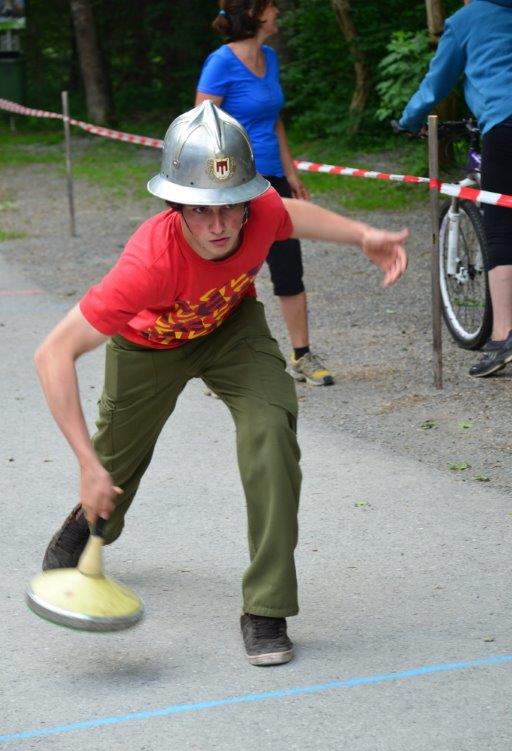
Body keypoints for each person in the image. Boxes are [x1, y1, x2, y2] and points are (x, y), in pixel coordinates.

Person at [36, 101, 408, 666]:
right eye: (201, 210)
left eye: (230, 208)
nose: (218, 225)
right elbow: (53, 354)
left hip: (230, 328)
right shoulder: (148, 264)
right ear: (175, 204)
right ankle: (86, 526)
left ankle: (266, 606)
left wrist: (363, 236)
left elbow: (289, 214)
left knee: (271, 431)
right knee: (114, 465)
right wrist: (87, 465)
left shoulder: (260, 210)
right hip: (149, 345)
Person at [195, 0, 333, 387]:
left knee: (288, 264)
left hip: (273, 178)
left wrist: (290, 171)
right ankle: (219, 363)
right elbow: (202, 126)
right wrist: (219, 187)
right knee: (232, 270)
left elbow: (274, 120)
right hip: (235, 182)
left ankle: (302, 356)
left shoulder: (269, 57)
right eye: (271, 5)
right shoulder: (220, 63)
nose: (277, 11)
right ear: (254, 14)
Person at [398, 0, 512, 378]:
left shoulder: (466, 20)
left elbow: (436, 84)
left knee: (501, 229)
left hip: (505, 123)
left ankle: (503, 336)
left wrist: (409, 120)